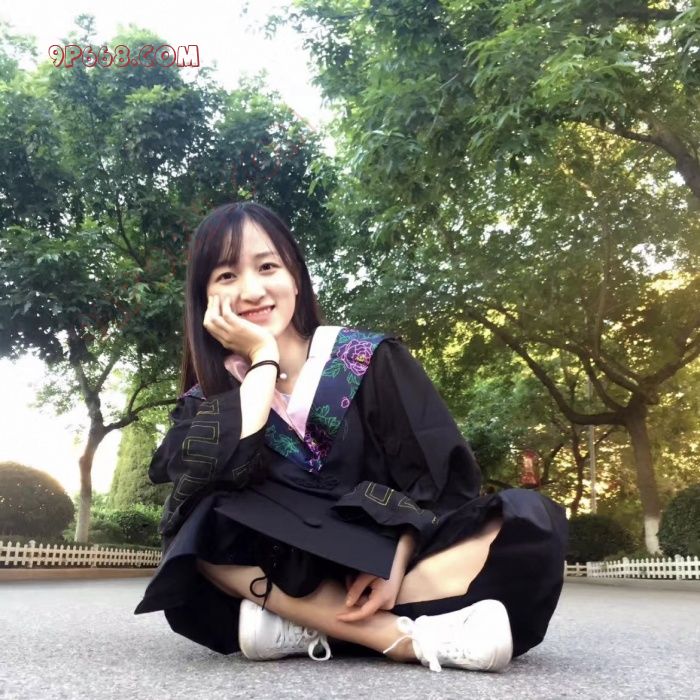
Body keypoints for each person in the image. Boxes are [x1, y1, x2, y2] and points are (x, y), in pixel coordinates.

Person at [134, 201, 568, 673]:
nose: (252, 290)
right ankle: (399, 638)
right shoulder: (209, 401)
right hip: (278, 567)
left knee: (531, 523)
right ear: (205, 298)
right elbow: (204, 488)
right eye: (226, 276)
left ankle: (303, 624)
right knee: (198, 516)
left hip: (390, 558)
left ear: (296, 278)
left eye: (267, 266)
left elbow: (438, 482)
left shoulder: (367, 358)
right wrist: (262, 358)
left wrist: (395, 558)